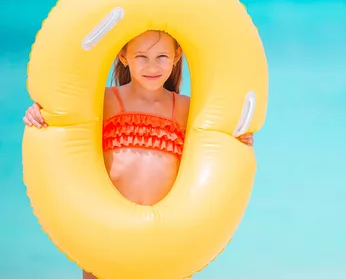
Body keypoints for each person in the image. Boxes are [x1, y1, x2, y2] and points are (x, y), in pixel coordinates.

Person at [23, 30, 254, 279]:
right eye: (141, 56)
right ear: (124, 56)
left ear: (177, 56)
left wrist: (238, 141)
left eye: (162, 56)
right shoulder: (104, 101)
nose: (152, 66)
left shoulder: (188, 109)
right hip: (107, 234)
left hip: (164, 240)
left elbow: (216, 146)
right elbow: (63, 117)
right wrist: (38, 112)